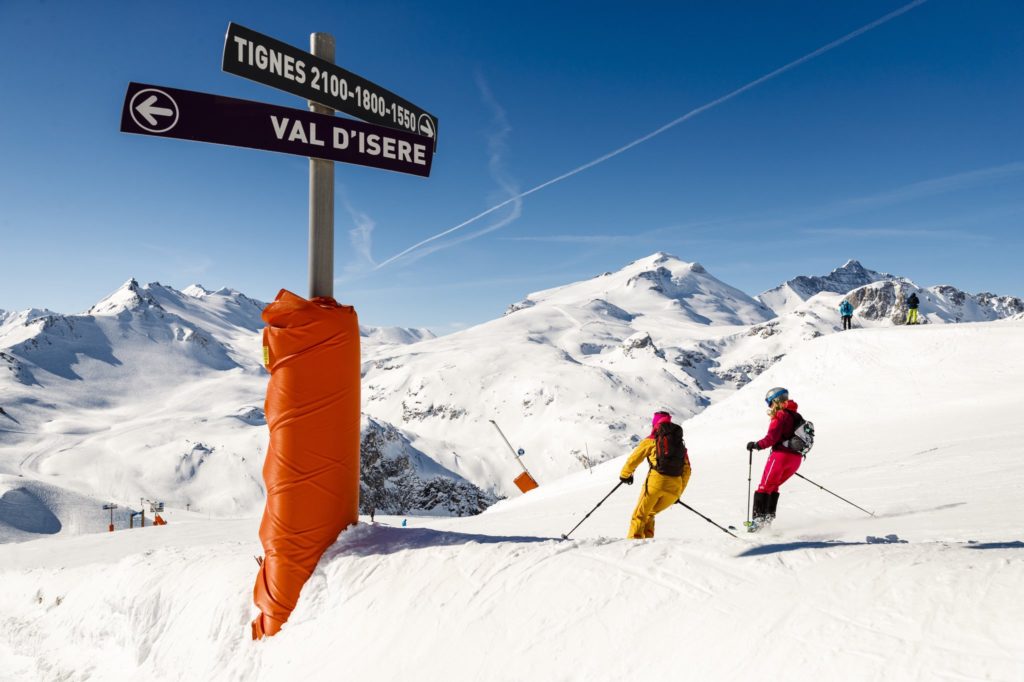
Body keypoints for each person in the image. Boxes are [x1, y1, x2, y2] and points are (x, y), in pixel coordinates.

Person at [619, 411, 691, 539]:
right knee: (650, 513)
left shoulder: (652, 440)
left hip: (655, 484)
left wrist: (625, 475)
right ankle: (648, 545)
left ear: (654, 425)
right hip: (675, 489)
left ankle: (632, 547)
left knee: (639, 516)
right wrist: (678, 493)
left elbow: (633, 459)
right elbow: (687, 470)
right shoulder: (678, 443)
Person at [745, 387, 804, 531]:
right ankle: (767, 522)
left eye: (770, 403)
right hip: (796, 459)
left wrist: (756, 445)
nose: (769, 406)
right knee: (773, 487)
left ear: (776, 401)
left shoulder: (780, 415)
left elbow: (771, 438)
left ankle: (758, 524)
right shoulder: (797, 416)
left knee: (764, 487)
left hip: (780, 457)